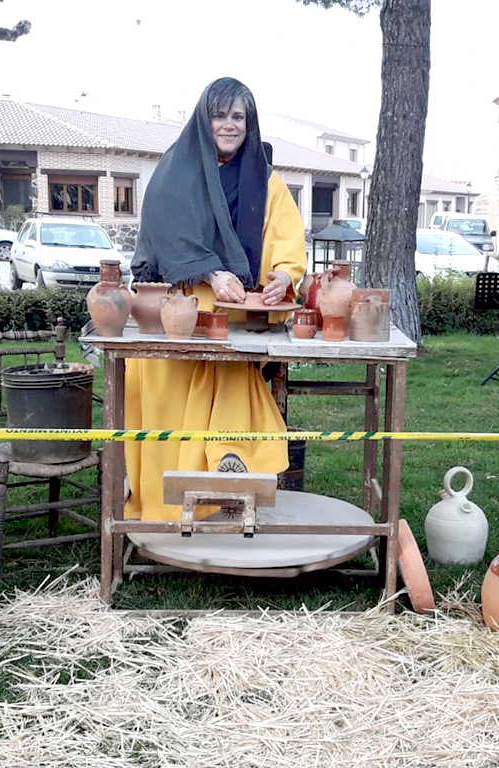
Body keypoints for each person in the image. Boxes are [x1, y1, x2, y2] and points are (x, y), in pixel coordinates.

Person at [125, 77, 307, 522]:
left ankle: (225, 481)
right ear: (203, 121)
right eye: (219, 115)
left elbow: (287, 241)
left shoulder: (267, 182)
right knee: (163, 399)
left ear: (250, 123)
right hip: (179, 311)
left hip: (237, 317)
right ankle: (164, 509)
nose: (229, 125)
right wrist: (210, 271)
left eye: (238, 117)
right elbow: (167, 238)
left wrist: (283, 277)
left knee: (233, 379)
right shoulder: (174, 173)